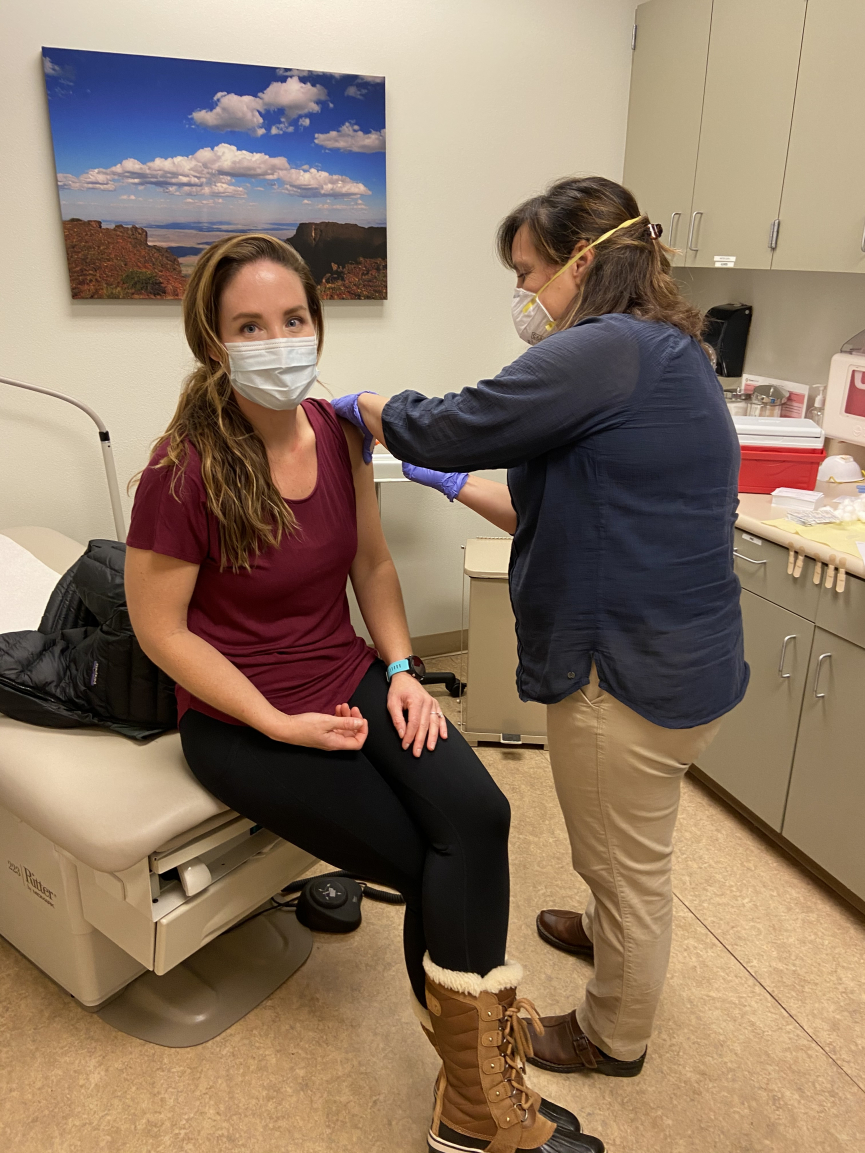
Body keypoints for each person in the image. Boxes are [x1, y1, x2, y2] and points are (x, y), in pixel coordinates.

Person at [124, 233, 603, 1153]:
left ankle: (470, 1080)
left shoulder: (338, 432)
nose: (278, 339)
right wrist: (272, 720)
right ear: (213, 341)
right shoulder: (180, 470)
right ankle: (475, 1106)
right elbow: (163, 630)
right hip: (243, 719)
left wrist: (400, 672)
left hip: (348, 674)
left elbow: (373, 566)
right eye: (250, 325)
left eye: (293, 318)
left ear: (318, 323)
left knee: (481, 816)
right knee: (434, 857)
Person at [335, 175, 747, 1079]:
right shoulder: (674, 351)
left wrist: (369, 411)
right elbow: (563, 515)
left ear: (584, 260)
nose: (524, 294)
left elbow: (445, 425)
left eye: (528, 272)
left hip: (627, 677)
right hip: (693, 657)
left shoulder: (601, 350)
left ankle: (611, 1035)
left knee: (625, 867)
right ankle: (606, 934)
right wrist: (456, 488)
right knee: (637, 836)